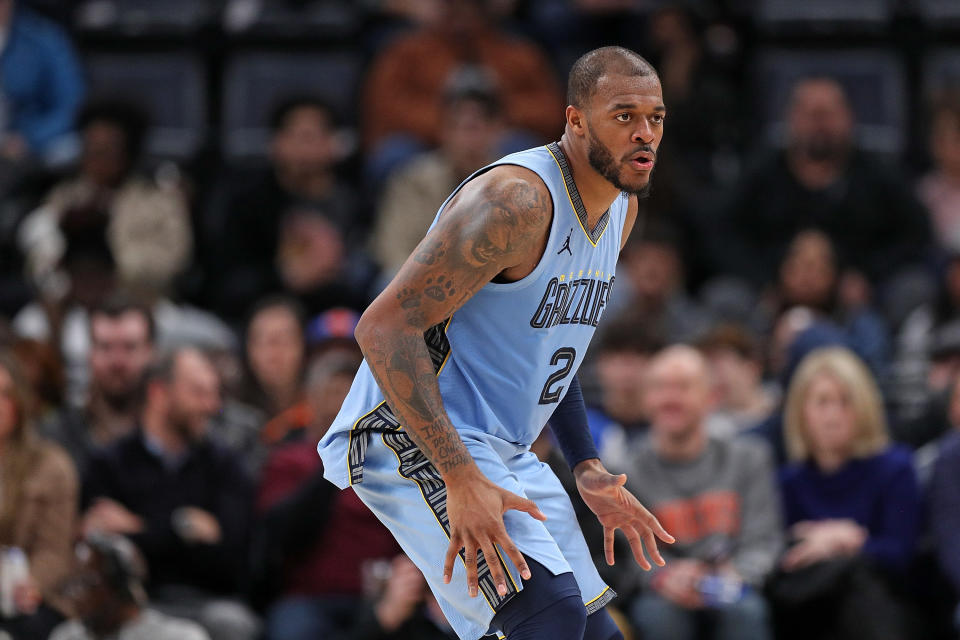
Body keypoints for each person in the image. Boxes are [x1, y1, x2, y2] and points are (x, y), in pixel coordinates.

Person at [318, 46, 674, 640]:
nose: (644, 134)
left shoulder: (621, 210)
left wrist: (585, 464)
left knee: (595, 632)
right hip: (412, 431)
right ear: (576, 120)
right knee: (547, 617)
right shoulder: (516, 202)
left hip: (502, 447)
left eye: (656, 117)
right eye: (623, 115)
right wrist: (459, 477)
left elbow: (548, 351)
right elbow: (381, 328)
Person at [82, 347, 259, 640]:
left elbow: (231, 556)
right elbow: (105, 553)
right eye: (199, 393)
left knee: (234, 624)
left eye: (214, 394)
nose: (212, 406)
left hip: (208, 602)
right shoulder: (109, 464)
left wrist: (139, 527)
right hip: (134, 605)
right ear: (159, 393)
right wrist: (184, 529)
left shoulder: (226, 465)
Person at [622, 346, 780, 640]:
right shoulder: (624, 472)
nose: (670, 398)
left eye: (683, 387)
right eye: (659, 388)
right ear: (645, 399)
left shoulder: (749, 459)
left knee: (744, 612)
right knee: (660, 617)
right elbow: (630, 555)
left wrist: (733, 576)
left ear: (712, 397)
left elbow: (763, 540)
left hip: (733, 582)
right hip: (665, 591)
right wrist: (664, 576)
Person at [713, 77, 929, 292]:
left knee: (913, 287)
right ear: (791, 118)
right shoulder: (762, 172)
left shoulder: (879, 173)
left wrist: (869, 276)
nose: (819, 125)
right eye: (810, 115)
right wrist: (762, 279)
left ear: (849, 118)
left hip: (862, 292)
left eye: (827, 114)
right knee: (725, 294)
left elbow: (916, 233)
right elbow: (722, 230)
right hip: (771, 288)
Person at [773, 347, 920, 640]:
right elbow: (782, 560)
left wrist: (850, 540)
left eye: (845, 402)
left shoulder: (895, 468)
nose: (833, 415)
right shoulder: (787, 481)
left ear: (864, 407)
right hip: (808, 609)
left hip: (882, 607)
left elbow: (902, 555)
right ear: (801, 411)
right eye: (822, 402)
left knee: (862, 590)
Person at [255, 351, 400, 639]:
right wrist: (333, 465)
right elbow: (277, 535)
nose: (343, 404)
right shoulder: (289, 460)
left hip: (380, 598)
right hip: (309, 599)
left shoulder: (388, 465)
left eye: (351, 394)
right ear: (310, 398)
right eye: (334, 392)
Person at [205, 97, 360, 320]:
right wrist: (284, 276)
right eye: (297, 136)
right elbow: (226, 287)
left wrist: (332, 268)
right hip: (261, 317)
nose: (304, 148)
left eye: (313, 137)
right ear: (276, 142)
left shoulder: (355, 202)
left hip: (339, 319)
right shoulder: (248, 204)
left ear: (333, 144)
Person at [17, 100, 192, 298]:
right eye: (90, 149)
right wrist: (59, 267)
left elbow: (173, 261)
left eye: (105, 151)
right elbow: (37, 257)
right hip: (73, 306)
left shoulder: (159, 199)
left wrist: (106, 265)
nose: (95, 159)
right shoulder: (65, 197)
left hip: (143, 304)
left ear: (128, 153)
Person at [370, 68, 505, 279]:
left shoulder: (514, 181)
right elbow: (392, 248)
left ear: (496, 131)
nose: (468, 140)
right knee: (387, 279)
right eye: (459, 127)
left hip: (490, 285)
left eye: (476, 128)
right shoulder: (413, 179)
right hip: (423, 282)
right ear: (444, 132)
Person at [0, 353, 78, 640]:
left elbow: (54, 551)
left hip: (31, 598)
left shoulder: (51, 466)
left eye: (4, 395)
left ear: (19, 402)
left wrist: (29, 584)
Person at [39, 295, 154, 476]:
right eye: (105, 347)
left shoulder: (177, 437)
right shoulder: (55, 436)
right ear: (89, 353)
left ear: (151, 352)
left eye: (130, 347)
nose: (118, 362)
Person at [49, 533, 210, 640]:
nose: (76, 595)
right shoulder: (66, 636)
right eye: (73, 584)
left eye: (86, 582)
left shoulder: (179, 637)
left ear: (120, 585)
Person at [0, 0, 85, 163]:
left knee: (68, 148)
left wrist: (29, 139)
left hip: (24, 140)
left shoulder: (43, 38)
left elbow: (71, 104)